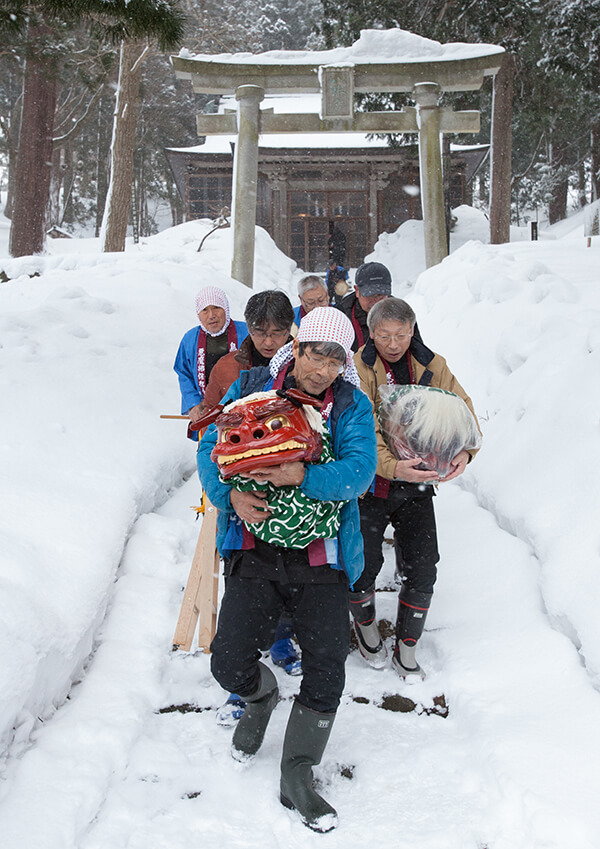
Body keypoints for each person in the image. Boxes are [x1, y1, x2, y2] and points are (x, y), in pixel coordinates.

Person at [197, 308, 377, 832]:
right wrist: (228, 493)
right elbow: (213, 447)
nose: (322, 368)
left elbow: (359, 472)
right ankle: (259, 697)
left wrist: (304, 474)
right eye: (315, 354)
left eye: (335, 359)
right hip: (255, 549)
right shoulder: (253, 387)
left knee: (327, 670)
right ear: (297, 349)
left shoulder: (350, 405)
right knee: (228, 660)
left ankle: (297, 770)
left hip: (322, 557)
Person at [351, 294, 480, 678]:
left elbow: (462, 408)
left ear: (413, 330)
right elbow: (361, 427)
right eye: (385, 335)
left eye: (402, 335)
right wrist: (392, 467)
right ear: (370, 333)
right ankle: (367, 625)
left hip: (418, 483)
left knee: (424, 565)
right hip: (369, 486)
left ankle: (407, 644)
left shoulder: (430, 363)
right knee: (363, 564)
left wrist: (467, 451)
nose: (393, 344)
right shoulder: (357, 366)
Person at [201, 290, 300, 726]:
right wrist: (228, 495)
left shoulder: (306, 368)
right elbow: (209, 433)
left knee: (288, 580)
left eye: (278, 331)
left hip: (292, 499)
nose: (269, 339)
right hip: (243, 498)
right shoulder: (234, 370)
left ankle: (281, 641)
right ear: (247, 328)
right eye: (260, 330)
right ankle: (242, 684)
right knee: (243, 586)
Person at [203, 290, 295, 413]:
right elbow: (210, 413)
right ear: (249, 328)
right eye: (260, 333)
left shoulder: (303, 366)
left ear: (289, 329)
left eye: (276, 333)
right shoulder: (226, 367)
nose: (268, 342)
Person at [173, 286, 248, 431]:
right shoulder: (190, 339)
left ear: (225, 308)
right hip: (207, 411)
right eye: (205, 310)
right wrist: (193, 404)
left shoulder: (246, 332)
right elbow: (184, 373)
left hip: (243, 410)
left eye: (216, 308)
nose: (211, 315)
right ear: (198, 314)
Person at [336, 261, 391, 352]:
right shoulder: (341, 316)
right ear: (357, 290)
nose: (376, 301)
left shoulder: (400, 312)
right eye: (370, 295)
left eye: (381, 295)